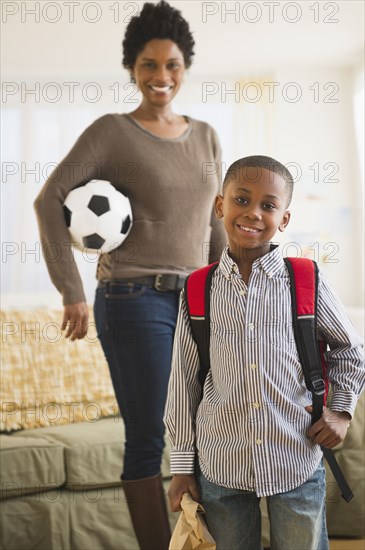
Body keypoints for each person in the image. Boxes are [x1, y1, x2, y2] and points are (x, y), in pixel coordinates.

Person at [34, 2, 226, 548]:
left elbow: (214, 224)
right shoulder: (112, 133)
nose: (160, 77)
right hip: (132, 296)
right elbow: (49, 200)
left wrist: (227, 291)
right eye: (148, 65)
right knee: (149, 433)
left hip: (197, 299)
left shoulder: (207, 136)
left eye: (171, 65)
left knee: (206, 428)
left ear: (184, 67)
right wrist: (72, 290)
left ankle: (198, 539)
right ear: (132, 69)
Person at [164, 155, 365, 550]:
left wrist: (340, 410)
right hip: (221, 464)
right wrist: (183, 466)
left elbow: (350, 350)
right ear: (221, 205)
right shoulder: (198, 289)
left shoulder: (305, 279)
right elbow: (184, 382)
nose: (253, 213)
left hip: (296, 457)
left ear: (284, 219)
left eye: (268, 205)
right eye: (242, 199)